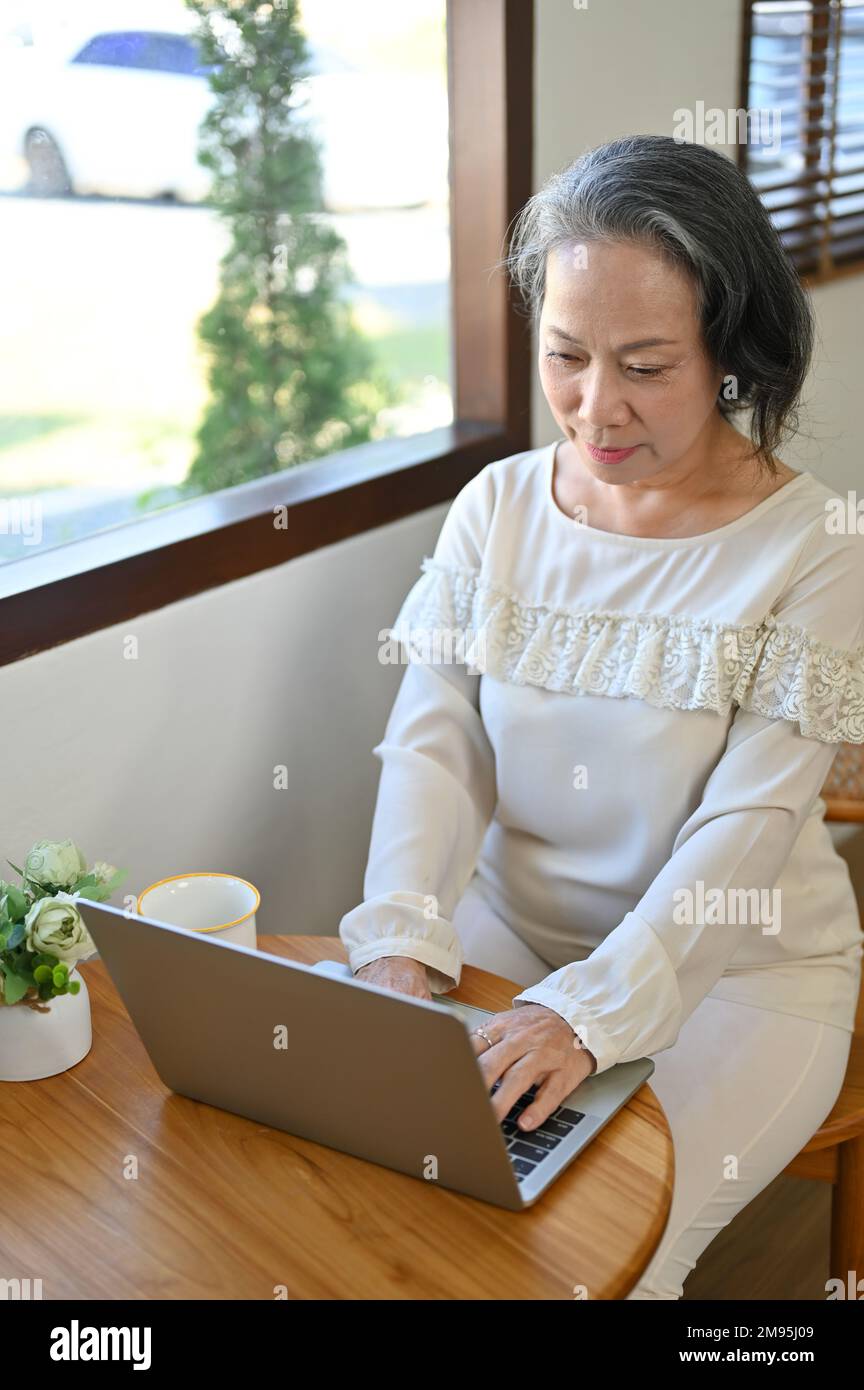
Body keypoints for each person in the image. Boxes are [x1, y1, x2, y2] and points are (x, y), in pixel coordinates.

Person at [339, 134, 864, 1299]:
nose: (594, 406)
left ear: (731, 355)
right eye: (565, 354)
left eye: (644, 364)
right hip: (511, 934)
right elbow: (439, 740)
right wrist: (399, 936)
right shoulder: (500, 506)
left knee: (590, 1265)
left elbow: (752, 820)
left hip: (739, 978)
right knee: (374, 1189)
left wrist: (594, 1014)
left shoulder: (815, 544)